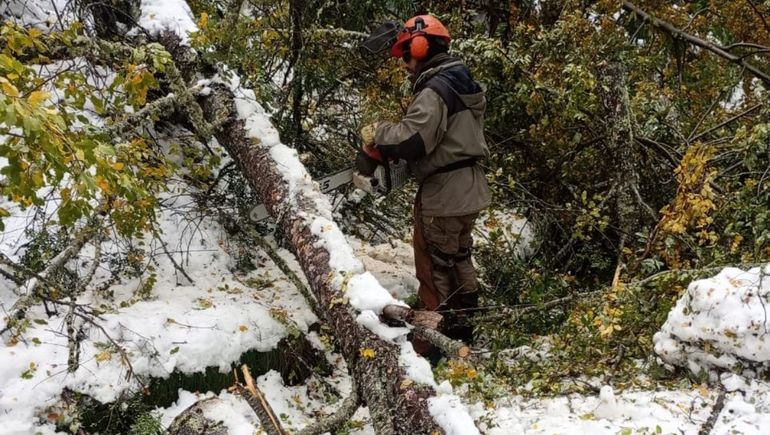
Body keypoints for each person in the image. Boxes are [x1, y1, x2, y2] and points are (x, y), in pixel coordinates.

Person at [360, 15, 490, 350]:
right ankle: (463, 331)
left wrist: (378, 133)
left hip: (445, 193)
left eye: (406, 55)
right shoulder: (460, 83)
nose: (404, 64)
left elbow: (413, 139)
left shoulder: (436, 88)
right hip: (469, 188)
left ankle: (432, 343)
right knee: (458, 259)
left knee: (434, 269)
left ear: (421, 46)